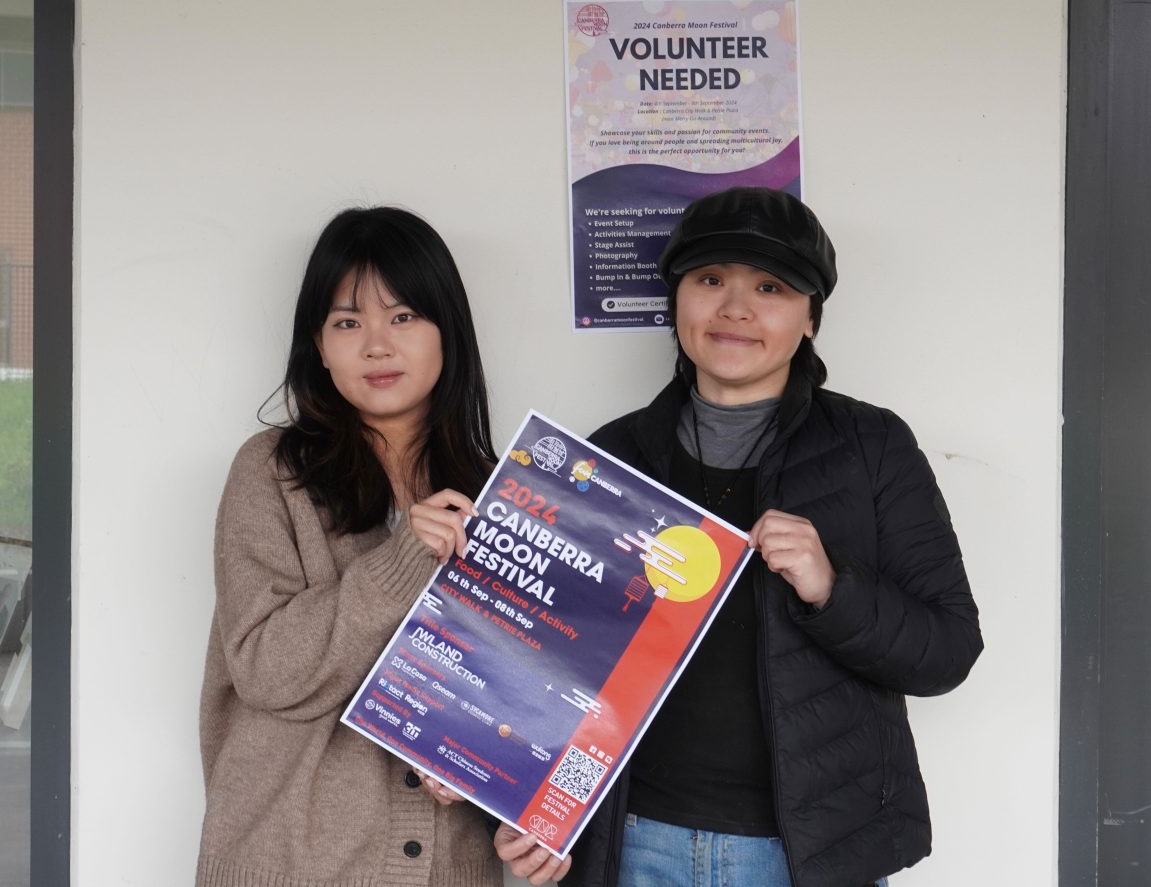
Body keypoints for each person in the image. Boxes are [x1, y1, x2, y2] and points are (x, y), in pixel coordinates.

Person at [569, 187, 984, 887]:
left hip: (810, 853)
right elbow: (551, 661)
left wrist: (832, 588)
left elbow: (947, 651)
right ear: (677, 303)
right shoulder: (610, 456)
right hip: (635, 841)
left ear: (811, 317)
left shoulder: (871, 447)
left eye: (770, 286)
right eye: (709, 281)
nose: (735, 307)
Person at [195, 206, 569, 887]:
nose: (376, 345)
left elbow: (527, 702)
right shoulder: (271, 473)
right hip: (289, 865)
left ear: (446, 332)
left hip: (448, 868)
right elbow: (265, 670)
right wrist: (402, 565)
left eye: (402, 317)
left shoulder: (503, 497)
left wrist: (507, 790)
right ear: (318, 344)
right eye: (347, 322)